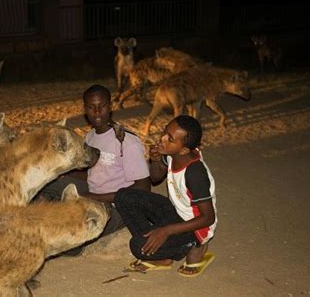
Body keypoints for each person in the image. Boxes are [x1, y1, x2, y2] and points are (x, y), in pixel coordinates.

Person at [37, 84, 151, 255]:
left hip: (118, 206)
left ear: (110, 106)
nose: (97, 111)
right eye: (92, 107)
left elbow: (143, 188)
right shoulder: (91, 136)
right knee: (47, 182)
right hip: (93, 192)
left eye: (102, 106)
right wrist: (64, 175)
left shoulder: (126, 141)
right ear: (85, 110)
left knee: (70, 244)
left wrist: (92, 197)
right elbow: (94, 172)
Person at [114, 115, 217, 277]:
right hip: (175, 212)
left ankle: (193, 246)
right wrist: (155, 159)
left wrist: (166, 231)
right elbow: (155, 178)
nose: (162, 139)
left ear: (183, 149)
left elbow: (208, 218)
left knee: (137, 246)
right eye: (165, 132)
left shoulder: (195, 173)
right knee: (123, 197)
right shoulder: (173, 153)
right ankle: (161, 252)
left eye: (170, 139)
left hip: (195, 227)